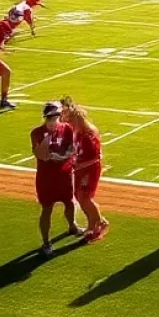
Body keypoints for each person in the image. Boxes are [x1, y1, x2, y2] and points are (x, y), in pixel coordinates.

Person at [32, 101, 82, 255]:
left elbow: (71, 148)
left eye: (55, 117)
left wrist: (62, 156)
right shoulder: (36, 133)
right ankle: (46, 242)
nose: (53, 121)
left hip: (65, 174)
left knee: (70, 202)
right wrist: (49, 156)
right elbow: (38, 153)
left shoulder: (66, 128)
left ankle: (72, 225)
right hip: (46, 177)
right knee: (47, 208)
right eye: (50, 118)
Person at [62, 98, 108, 242]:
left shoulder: (88, 134)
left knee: (85, 197)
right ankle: (95, 222)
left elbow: (94, 158)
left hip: (89, 169)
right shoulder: (75, 131)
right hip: (81, 167)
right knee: (79, 196)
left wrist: (77, 166)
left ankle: (97, 224)